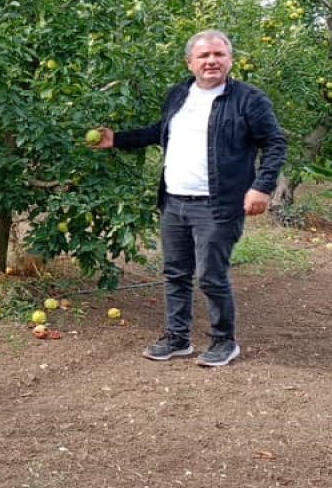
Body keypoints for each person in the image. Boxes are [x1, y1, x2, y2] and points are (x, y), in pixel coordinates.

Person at [91, 30, 286, 367]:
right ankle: (177, 337)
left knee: (211, 274)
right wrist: (118, 139)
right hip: (174, 201)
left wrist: (262, 186)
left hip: (218, 203)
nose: (211, 61)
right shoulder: (179, 94)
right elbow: (160, 131)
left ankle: (224, 341)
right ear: (190, 63)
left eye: (218, 55)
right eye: (204, 56)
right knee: (176, 273)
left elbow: (275, 143)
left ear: (230, 60)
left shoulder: (249, 99)